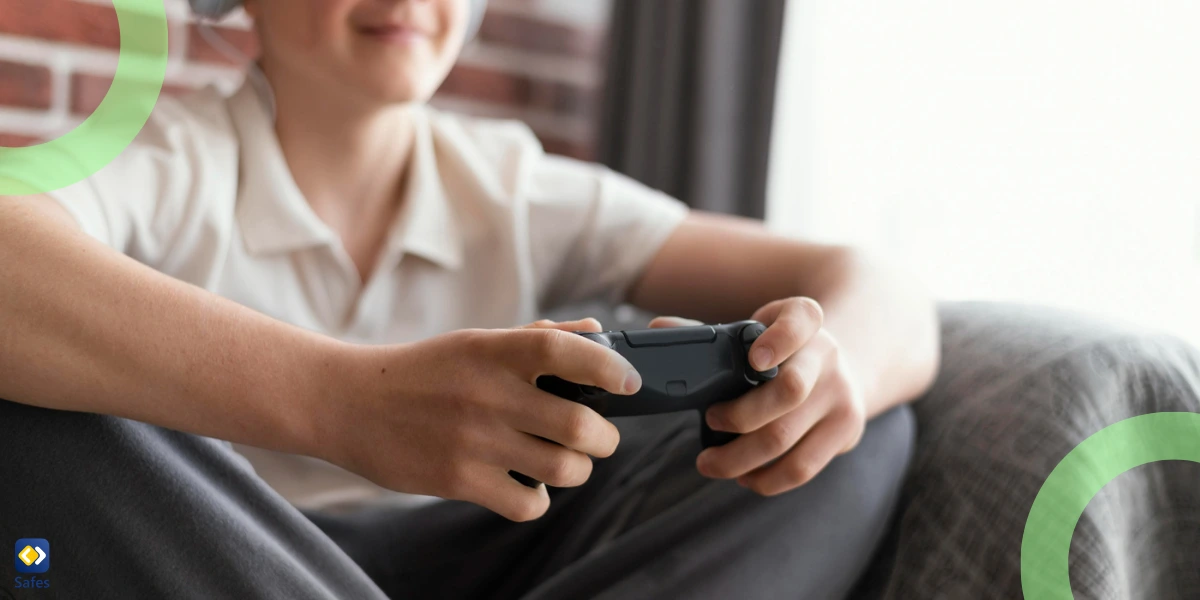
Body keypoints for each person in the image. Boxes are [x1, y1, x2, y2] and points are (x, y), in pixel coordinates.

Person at [0, 0, 939, 597]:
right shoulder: (169, 160)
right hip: (224, 554)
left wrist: (833, 368)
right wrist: (343, 401)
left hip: (491, 556)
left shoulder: (515, 188)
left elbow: (878, 285)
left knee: (845, 432)